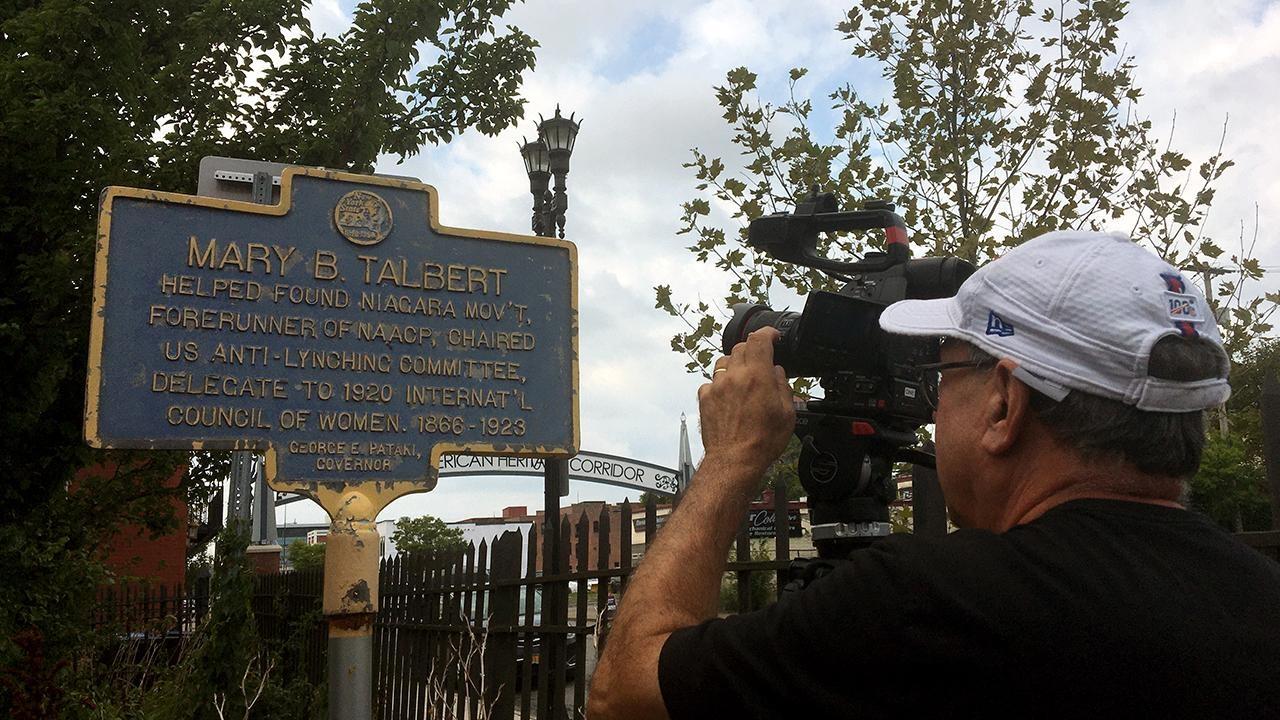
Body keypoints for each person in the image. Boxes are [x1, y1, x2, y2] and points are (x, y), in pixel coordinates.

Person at [587, 231, 1280, 719]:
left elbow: (624, 695)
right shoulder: (1258, 596)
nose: (933, 396)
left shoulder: (926, 604)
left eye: (943, 370)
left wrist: (731, 459)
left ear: (1005, 405)